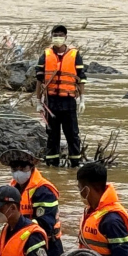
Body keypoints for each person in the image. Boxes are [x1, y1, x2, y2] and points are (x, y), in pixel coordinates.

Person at [35, 25, 87, 168]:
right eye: (55, 35)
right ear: (51, 37)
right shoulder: (45, 55)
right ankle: (52, 164)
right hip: (51, 102)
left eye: (60, 35)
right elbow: (39, 80)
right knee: (52, 135)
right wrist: (38, 101)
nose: (57, 38)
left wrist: (82, 100)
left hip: (69, 101)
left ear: (65, 37)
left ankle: (75, 164)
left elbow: (81, 78)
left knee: (72, 135)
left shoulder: (75, 55)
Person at [0, 149, 64, 256]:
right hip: (22, 240)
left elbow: (45, 223)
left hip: (46, 244)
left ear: (32, 167)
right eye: (14, 168)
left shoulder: (44, 190)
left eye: (23, 167)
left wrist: (18, 228)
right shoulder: (12, 188)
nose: (18, 172)